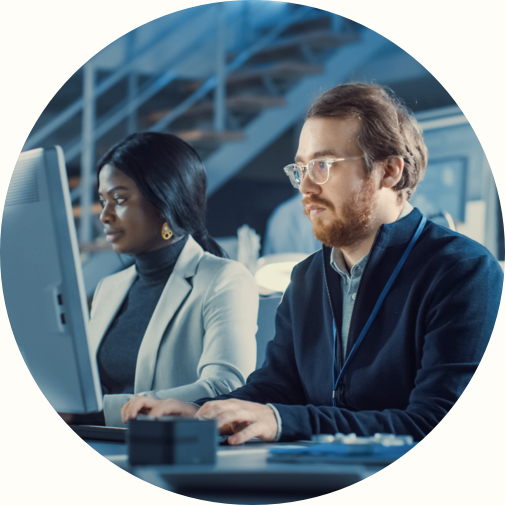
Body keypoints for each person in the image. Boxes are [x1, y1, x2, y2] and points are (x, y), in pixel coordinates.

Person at [121, 84, 503, 443]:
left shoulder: (464, 271)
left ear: (389, 171)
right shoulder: (307, 276)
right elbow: (274, 387)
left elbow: (435, 424)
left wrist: (284, 420)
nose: (305, 187)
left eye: (322, 165)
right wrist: (199, 413)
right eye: (300, 169)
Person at [80, 132, 258, 427]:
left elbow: (225, 388)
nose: (105, 215)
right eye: (103, 200)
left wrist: (97, 410)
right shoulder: (108, 289)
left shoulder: (224, 279)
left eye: (120, 199)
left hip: (172, 450)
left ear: (164, 203)